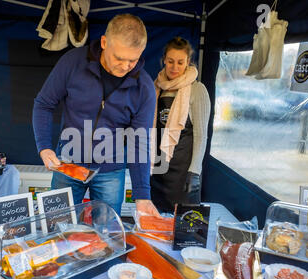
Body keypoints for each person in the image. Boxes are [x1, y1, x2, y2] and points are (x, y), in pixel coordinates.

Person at [33, 14, 160, 216]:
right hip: (68, 164)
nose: (126, 66)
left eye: (133, 60)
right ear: (104, 42)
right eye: (119, 57)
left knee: (107, 236)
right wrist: (45, 147)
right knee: (57, 225)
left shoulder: (144, 87)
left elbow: (139, 141)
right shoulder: (73, 62)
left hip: (111, 171)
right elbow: (43, 104)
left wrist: (142, 196)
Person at [150, 37, 210, 213]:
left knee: (183, 231)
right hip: (158, 170)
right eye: (170, 61)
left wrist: (195, 172)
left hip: (183, 174)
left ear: (188, 62)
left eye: (180, 62)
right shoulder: (157, 87)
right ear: (163, 60)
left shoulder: (197, 90)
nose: (175, 67)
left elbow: (201, 135)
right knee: (156, 225)